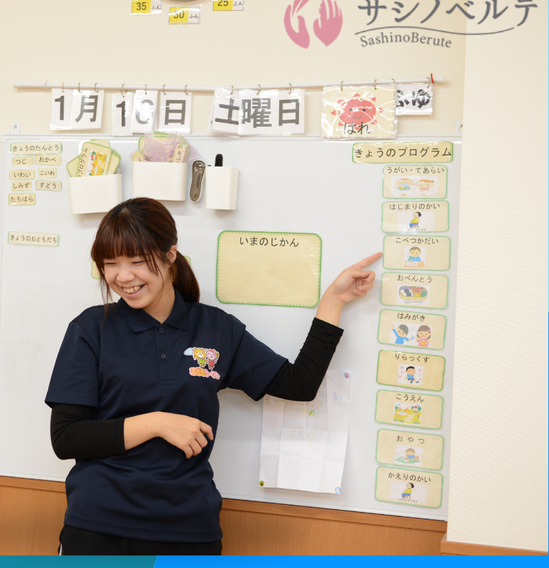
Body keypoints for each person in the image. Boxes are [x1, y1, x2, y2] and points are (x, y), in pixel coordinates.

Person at [45, 198, 381, 555]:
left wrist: (333, 301)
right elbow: (66, 438)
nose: (122, 277)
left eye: (137, 261)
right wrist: (157, 423)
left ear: (170, 255)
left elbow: (299, 385)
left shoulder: (217, 328)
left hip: (190, 529)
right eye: (110, 264)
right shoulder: (91, 329)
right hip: (97, 526)